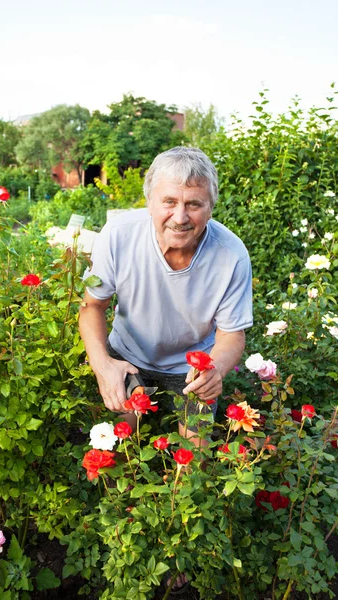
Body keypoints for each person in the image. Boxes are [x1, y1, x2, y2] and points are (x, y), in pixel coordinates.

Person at [79, 147, 253, 447]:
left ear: (211, 207)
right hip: (128, 355)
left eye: (194, 204)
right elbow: (92, 306)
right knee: (119, 446)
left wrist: (215, 371)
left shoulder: (231, 255)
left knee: (193, 459)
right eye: (169, 202)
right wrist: (102, 363)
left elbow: (231, 335)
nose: (180, 217)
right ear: (150, 203)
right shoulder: (118, 235)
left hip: (191, 368)